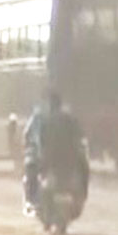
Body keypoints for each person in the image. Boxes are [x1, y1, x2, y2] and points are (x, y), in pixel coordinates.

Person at [23, 87, 89, 215]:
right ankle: (82, 196)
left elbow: (37, 139)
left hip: (49, 158)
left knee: (31, 170)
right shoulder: (69, 118)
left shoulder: (42, 119)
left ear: (49, 104)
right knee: (84, 170)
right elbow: (80, 136)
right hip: (70, 159)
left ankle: (32, 200)